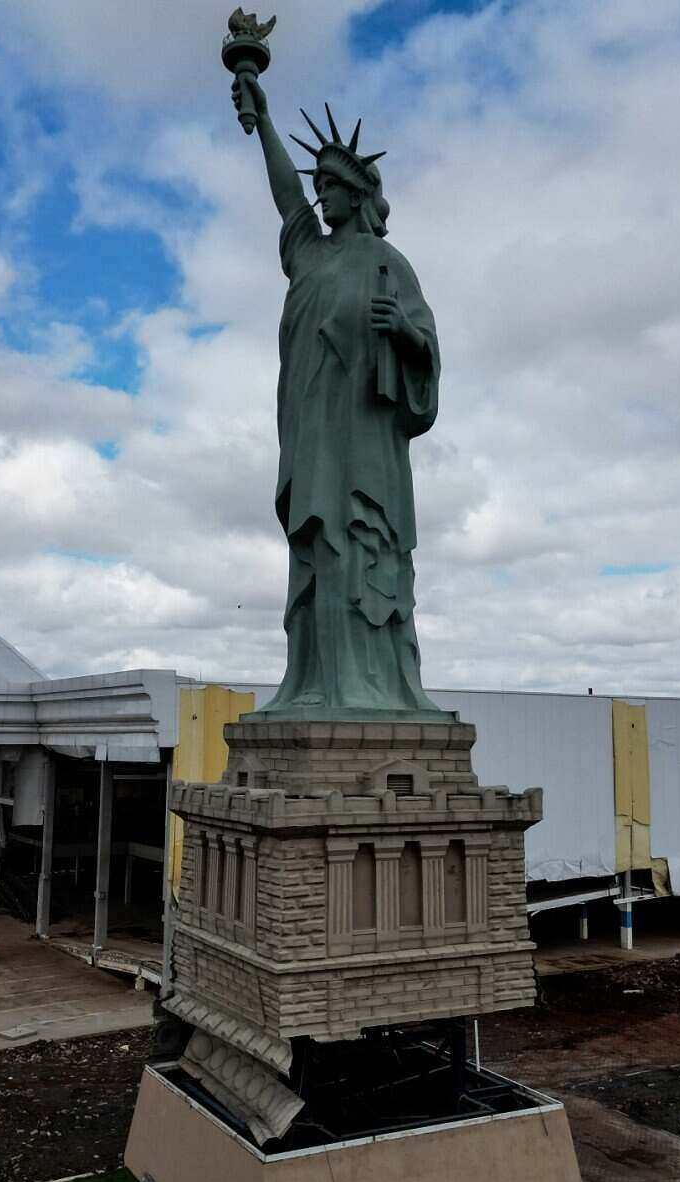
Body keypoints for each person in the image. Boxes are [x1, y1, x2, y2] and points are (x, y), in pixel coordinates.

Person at [232, 72, 444, 719]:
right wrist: (263, 121)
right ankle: (315, 682)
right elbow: (284, 198)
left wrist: (404, 332)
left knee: (362, 545)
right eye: (318, 186)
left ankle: (374, 689)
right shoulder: (309, 255)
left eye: (330, 187)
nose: (320, 198)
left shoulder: (388, 263)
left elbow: (426, 349)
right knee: (315, 546)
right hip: (310, 425)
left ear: (357, 194)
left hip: (366, 436)